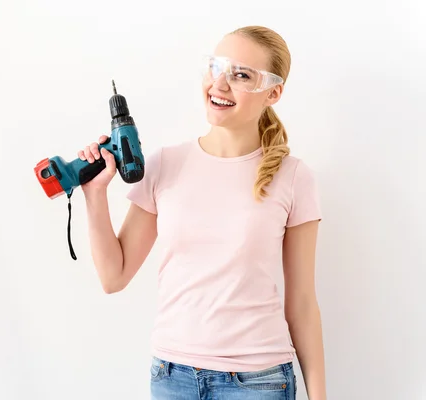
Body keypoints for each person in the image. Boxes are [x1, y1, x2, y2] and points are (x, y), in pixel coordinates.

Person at [77, 25, 326, 400]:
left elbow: (303, 303)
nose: (220, 84)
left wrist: (319, 395)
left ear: (273, 92)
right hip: (171, 376)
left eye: (241, 75)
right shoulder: (164, 164)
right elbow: (114, 277)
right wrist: (94, 195)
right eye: (216, 67)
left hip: (258, 381)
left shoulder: (293, 178)